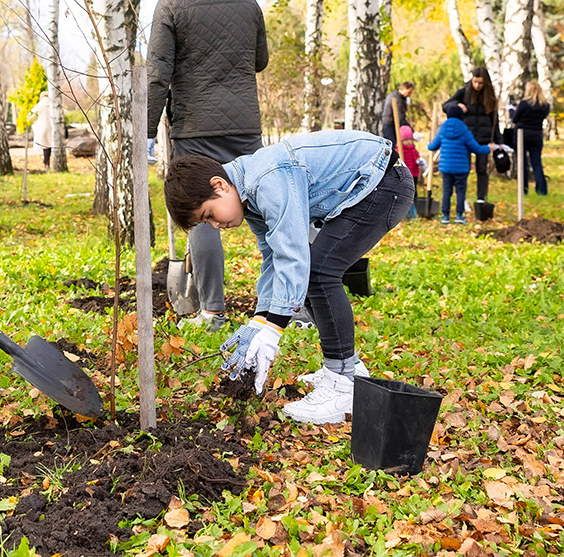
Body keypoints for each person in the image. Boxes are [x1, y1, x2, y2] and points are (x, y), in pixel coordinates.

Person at [164, 132, 413, 424]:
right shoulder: (248, 196)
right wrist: (259, 320)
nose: (216, 225)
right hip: (374, 183)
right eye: (207, 223)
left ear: (219, 185)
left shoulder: (266, 179)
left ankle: (342, 385)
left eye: (209, 215)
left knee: (319, 272)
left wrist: (274, 329)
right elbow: (274, 257)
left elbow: (294, 255)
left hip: (382, 183)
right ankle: (349, 368)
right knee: (313, 272)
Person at [147, 0, 269, 331]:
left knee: (200, 214)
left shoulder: (171, 4)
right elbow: (260, 61)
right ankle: (287, 307)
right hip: (245, 126)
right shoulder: (247, 1)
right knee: (268, 210)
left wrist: (146, 132)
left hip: (194, 127)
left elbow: (158, 76)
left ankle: (213, 311)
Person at [443, 67, 498, 207]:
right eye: (475, 82)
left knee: (482, 169)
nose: (477, 86)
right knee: (464, 169)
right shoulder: (464, 92)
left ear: (485, 83)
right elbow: (446, 105)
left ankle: (481, 199)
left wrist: (498, 140)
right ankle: (463, 199)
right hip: (465, 138)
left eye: (480, 83)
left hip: (484, 138)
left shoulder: (490, 97)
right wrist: (458, 105)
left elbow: (494, 121)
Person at [428, 104, 491, 225]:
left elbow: (433, 146)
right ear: (461, 116)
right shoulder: (464, 130)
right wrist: (488, 149)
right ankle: (459, 216)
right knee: (460, 192)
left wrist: (428, 144)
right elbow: (476, 148)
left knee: (447, 191)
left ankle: (445, 216)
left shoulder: (443, 129)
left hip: (445, 167)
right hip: (461, 168)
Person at [510, 81, 551, 195]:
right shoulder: (545, 105)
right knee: (536, 163)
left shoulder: (524, 104)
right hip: (536, 135)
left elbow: (515, 119)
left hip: (522, 135)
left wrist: (511, 110)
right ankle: (542, 190)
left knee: (522, 163)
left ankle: (523, 189)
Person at [30, 91, 54, 169]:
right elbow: (65, 112)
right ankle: (49, 163)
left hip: (42, 129)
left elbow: (30, 116)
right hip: (52, 128)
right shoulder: (53, 105)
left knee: (45, 146)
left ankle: (46, 163)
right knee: (50, 146)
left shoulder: (38, 106)